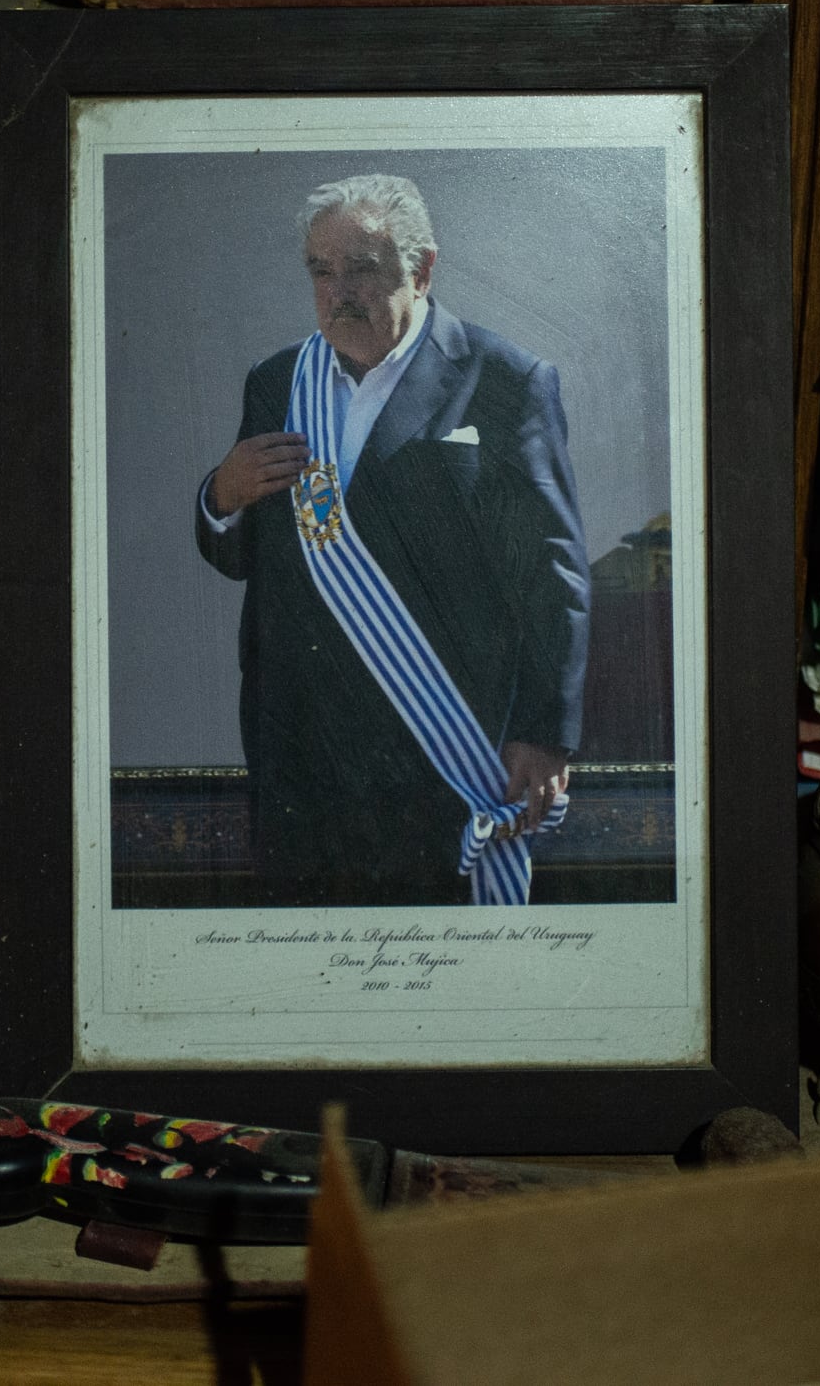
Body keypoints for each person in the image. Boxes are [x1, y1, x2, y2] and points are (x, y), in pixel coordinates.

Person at [195, 173, 589, 906]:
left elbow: (554, 570)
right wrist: (222, 496)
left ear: (424, 267)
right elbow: (248, 557)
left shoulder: (505, 380)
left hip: (438, 746)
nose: (338, 290)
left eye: (363, 268)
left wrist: (544, 732)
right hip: (299, 752)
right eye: (321, 271)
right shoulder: (278, 381)